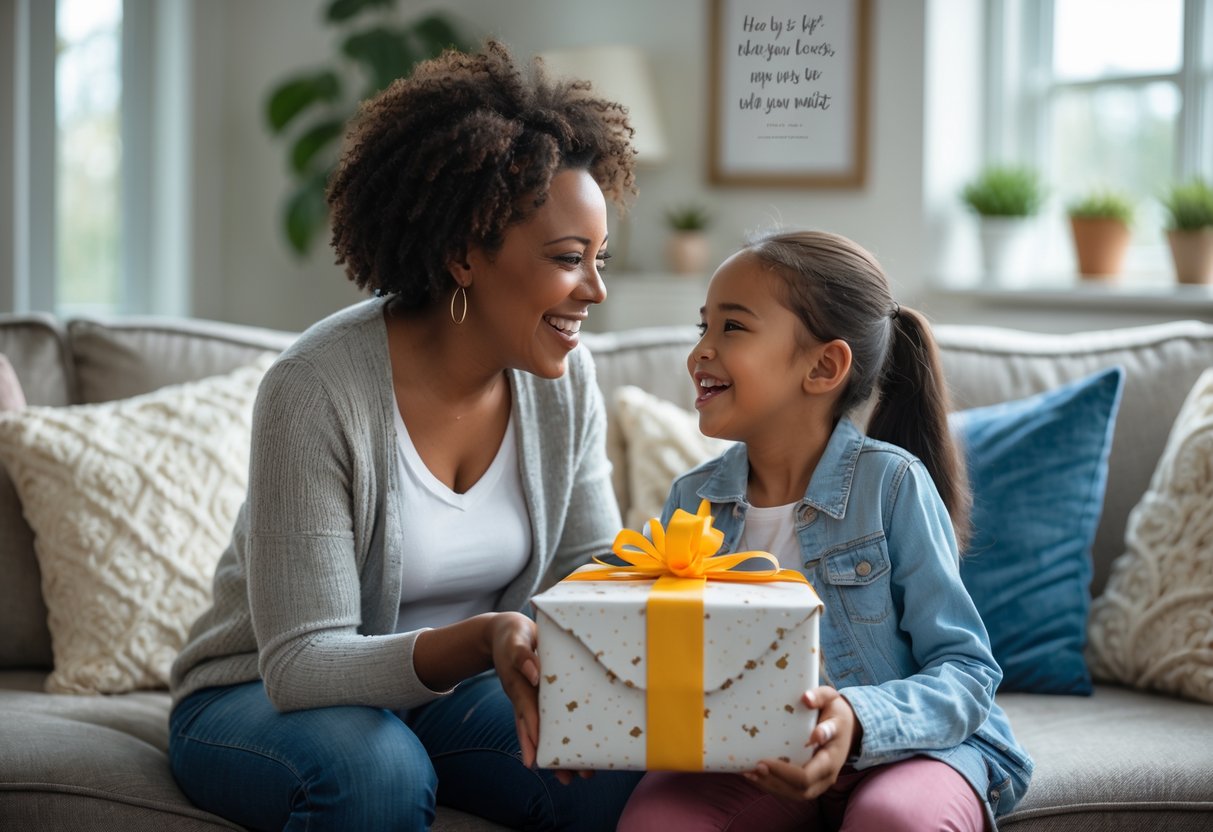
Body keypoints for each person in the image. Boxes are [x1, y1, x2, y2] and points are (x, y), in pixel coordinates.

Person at [168, 41, 643, 831]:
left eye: (600, 260)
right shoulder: (316, 388)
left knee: (615, 761)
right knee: (376, 771)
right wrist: (485, 637)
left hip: (449, 700)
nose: (594, 291)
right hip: (259, 694)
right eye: (568, 260)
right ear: (463, 254)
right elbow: (301, 663)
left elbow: (583, 574)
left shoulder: (566, 380)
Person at [616, 231, 1034, 832]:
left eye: (731, 328)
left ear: (824, 366)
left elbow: (967, 673)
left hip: (913, 748)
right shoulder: (694, 498)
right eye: (702, 327)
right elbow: (661, 653)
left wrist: (856, 719)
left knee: (894, 820)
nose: (700, 352)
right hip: (757, 758)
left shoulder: (892, 486)